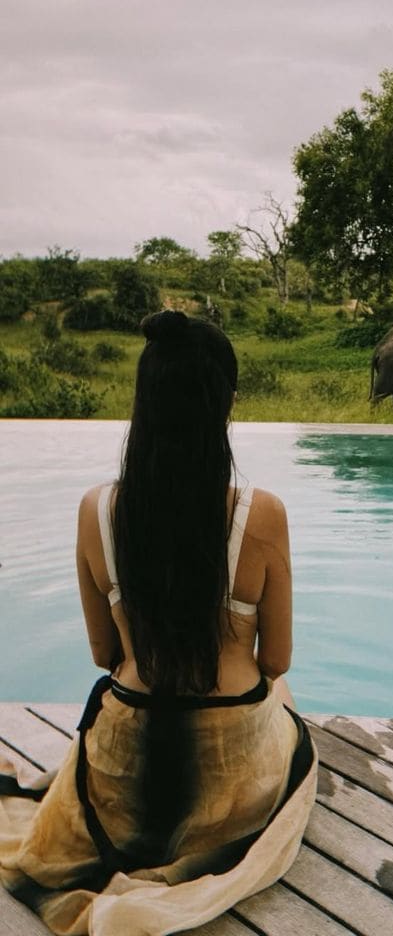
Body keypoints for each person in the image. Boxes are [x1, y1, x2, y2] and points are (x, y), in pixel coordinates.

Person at [0, 310, 317, 935]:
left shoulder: (96, 510)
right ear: (226, 403)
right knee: (285, 703)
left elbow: (103, 653)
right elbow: (277, 660)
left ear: (142, 401)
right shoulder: (262, 514)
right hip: (229, 762)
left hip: (126, 749)